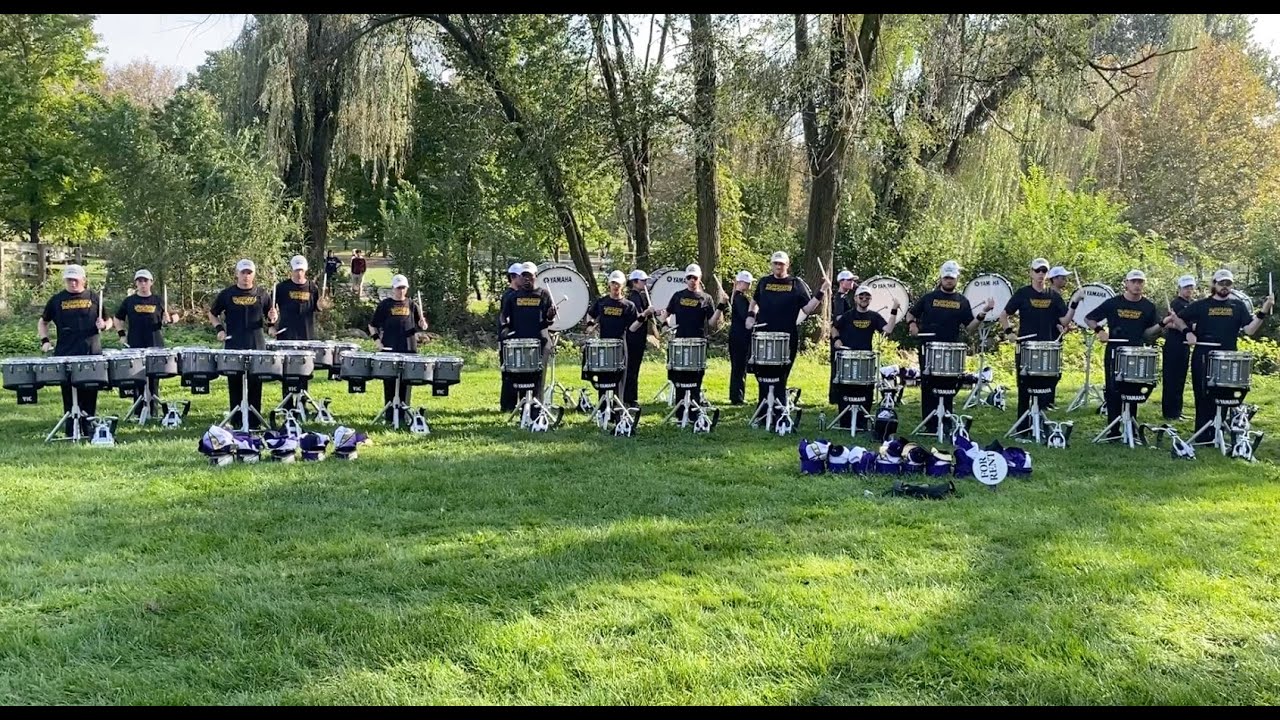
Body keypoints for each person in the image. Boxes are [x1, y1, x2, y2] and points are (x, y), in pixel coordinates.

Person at [1169, 269, 1273, 442]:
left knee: (1224, 395)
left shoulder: (1238, 306)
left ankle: (1219, 432)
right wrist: (1187, 332)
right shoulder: (1201, 305)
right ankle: (1203, 435)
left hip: (1228, 356)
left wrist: (1264, 310)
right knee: (1203, 395)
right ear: (1214, 284)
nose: (1224, 286)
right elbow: (1176, 318)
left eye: (1228, 284)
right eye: (1221, 283)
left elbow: (1249, 330)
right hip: (1204, 356)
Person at [905, 260, 993, 433]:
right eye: (946, 278)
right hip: (928, 347)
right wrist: (912, 325)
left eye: (952, 278)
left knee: (949, 385)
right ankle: (930, 424)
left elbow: (970, 328)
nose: (949, 280)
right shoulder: (929, 298)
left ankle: (946, 421)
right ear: (941, 278)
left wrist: (982, 313)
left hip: (951, 350)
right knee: (929, 384)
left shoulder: (962, 301)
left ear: (957, 279)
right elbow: (910, 313)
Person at [997, 257, 1079, 432]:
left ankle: (1039, 423)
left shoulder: (1054, 296)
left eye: (1044, 271)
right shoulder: (1022, 293)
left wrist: (1074, 303)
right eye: (1037, 271)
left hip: (1047, 348)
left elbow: (1064, 320)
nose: (1041, 274)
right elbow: (1003, 315)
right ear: (1031, 273)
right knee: (1024, 387)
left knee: (1045, 387)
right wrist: (1009, 332)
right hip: (1026, 347)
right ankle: (1023, 427)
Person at [744, 251, 827, 414]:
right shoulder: (764, 282)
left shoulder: (796, 284)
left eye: (781, 263)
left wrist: (822, 291)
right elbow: (754, 301)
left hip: (787, 337)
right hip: (764, 336)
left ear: (787, 265)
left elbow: (807, 309)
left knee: (780, 376)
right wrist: (750, 316)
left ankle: (779, 411)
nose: (778, 266)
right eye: (775, 263)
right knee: (763, 375)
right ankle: (763, 411)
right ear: (771, 265)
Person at [1084, 269, 1163, 438]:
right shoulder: (1113, 303)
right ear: (1126, 283)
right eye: (1133, 281)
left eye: (1140, 282)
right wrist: (1099, 331)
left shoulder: (1148, 306)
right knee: (1113, 390)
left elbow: (1148, 334)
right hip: (1115, 351)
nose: (1137, 285)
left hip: (1136, 353)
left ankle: (1131, 426)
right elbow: (1089, 318)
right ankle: (1113, 430)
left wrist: (1163, 324)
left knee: (1133, 388)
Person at [38, 264, 107, 436]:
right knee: (69, 393)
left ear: (83, 279)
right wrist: (45, 340)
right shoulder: (57, 300)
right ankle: (71, 429)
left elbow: (109, 320)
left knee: (90, 392)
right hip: (66, 352)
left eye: (75, 279)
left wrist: (104, 325)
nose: (72, 283)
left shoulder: (93, 297)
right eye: (69, 280)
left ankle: (89, 427)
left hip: (91, 351)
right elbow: (43, 322)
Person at [208, 258, 277, 429]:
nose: (246, 276)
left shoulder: (262, 294)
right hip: (234, 344)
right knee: (235, 383)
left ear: (253, 274)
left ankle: (254, 421)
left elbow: (271, 317)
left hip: (256, 344)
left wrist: (273, 320)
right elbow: (212, 313)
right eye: (243, 272)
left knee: (255, 383)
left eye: (249, 273)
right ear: (237, 274)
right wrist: (220, 330)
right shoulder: (227, 294)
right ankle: (236, 420)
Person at [655, 263, 724, 419]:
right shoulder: (678, 296)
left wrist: (721, 306)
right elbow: (666, 314)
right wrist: (664, 324)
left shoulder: (706, 298)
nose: (692, 280)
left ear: (699, 279)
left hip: (699, 342)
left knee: (696, 376)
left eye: (695, 278)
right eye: (689, 277)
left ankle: (694, 408)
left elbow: (711, 323)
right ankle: (680, 410)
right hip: (681, 341)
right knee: (679, 375)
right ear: (686, 279)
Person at [830, 284, 899, 430]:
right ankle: (845, 420)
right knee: (846, 387)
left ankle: (862, 421)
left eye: (867, 296)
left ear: (871, 299)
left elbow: (888, 330)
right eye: (861, 296)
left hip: (866, 359)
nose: (864, 298)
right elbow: (834, 327)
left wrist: (894, 310)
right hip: (847, 358)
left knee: (865, 388)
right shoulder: (848, 315)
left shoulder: (874, 316)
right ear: (855, 298)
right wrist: (836, 340)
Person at [113, 269, 178, 414]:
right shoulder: (129, 301)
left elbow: (176, 316)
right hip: (135, 344)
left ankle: (153, 410)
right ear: (136, 283)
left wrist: (170, 319)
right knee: (137, 377)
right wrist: (121, 334)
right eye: (140, 281)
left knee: (153, 379)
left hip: (155, 344)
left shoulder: (158, 300)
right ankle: (139, 411)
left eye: (145, 281)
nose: (143, 284)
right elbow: (117, 318)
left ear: (151, 282)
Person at [369, 274, 428, 426]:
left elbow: (421, 325)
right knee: (389, 383)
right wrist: (377, 341)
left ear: (406, 288)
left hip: (408, 349)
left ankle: (404, 415)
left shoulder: (412, 305)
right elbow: (372, 325)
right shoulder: (385, 305)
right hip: (390, 349)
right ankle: (390, 416)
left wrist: (423, 324)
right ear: (393, 289)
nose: (401, 291)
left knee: (406, 383)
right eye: (398, 288)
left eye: (403, 288)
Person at [499, 262, 558, 414]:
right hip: (520, 340)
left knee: (538, 376)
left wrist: (550, 316)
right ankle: (521, 405)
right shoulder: (513, 296)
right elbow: (503, 315)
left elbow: (549, 321)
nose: (526, 279)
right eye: (523, 276)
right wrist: (505, 327)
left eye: (529, 276)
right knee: (520, 375)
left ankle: (536, 407)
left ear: (535, 276)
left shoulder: (544, 294)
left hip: (540, 340)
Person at [274, 254, 331, 411]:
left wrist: (321, 305)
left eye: (301, 270)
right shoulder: (282, 288)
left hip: (306, 334)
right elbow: (271, 309)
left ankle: (302, 403)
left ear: (305, 270)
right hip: (286, 334)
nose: (299, 273)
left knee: (304, 370)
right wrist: (272, 325)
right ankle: (287, 405)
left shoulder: (313, 288)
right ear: (291, 270)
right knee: (287, 371)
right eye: (296, 270)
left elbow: (317, 308)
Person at [583, 270, 644, 406]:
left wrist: (642, 318)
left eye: (618, 284)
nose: (616, 286)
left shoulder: (629, 305)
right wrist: (590, 325)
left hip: (620, 346)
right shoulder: (602, 302)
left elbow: (633, 328)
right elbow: (590, 314)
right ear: (609, 284)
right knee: (603, 377)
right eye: (613, 283)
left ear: (623, 285)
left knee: (620, 378)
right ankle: (603, 407)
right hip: (604, 345)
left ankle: (618, 407)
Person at [1161, 275, 1198, 421]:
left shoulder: (1192, 304)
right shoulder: (1176, 303)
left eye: (1191, 287)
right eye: (1186, 287)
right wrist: (1188, 328)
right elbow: (1169, 323)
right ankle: (1170, 412)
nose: (1189, 290)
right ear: (1180, 288)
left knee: (1180, 379)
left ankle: (1177, 411)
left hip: (1184, 345)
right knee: (1171, 379)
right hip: (1173, 344)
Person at [624, 269, 654, 406]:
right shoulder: (633, 298)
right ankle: (630, 398)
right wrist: (647, 312)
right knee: (632, 368)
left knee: (634, 368)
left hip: (639, 337)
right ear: (635, 282)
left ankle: (631, 397)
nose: (645, 283)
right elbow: (637, 318)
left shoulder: (640, 296)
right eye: (643, 281)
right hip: (633, 337)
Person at [498, 263, 525, 412]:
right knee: (509, 373)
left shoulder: (517, 295)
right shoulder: (509, 296)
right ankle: (508, 405)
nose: (524, 279)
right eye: (522, 276)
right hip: (508, 340)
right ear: (513, 277)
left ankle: (517, 402)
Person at [728, 270, 754, 405]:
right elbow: (746, 316)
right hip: (739, 337)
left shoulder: (738, 297)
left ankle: (738, 395)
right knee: (739, 367)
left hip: (738, 336)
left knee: (739, 367)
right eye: (748, 283)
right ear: (742, 282)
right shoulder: (740, 299)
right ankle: (737, 397)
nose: (750, 285)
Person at [829, 270, 858, 390]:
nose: (852, 283)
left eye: (853, 280)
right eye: (849, 280)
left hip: (845, 336)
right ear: (841, 282)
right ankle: (836, 394)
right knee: (839, 368)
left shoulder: (845, 297)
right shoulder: (839, 298)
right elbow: (839, 318)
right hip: (840, 337)